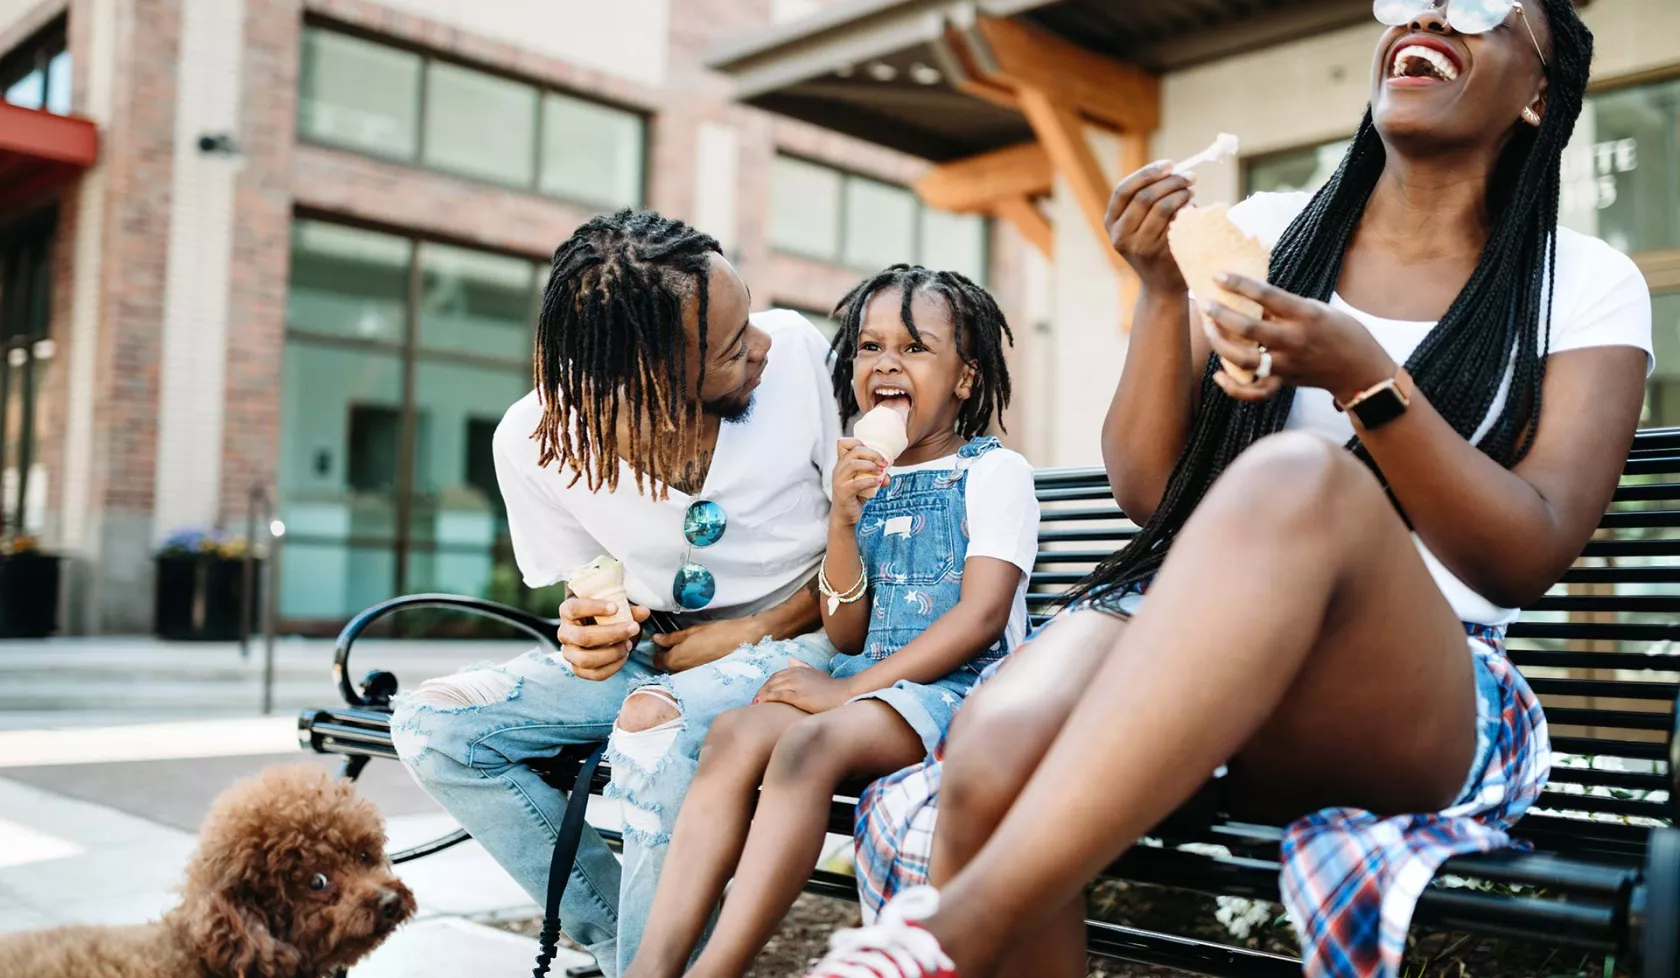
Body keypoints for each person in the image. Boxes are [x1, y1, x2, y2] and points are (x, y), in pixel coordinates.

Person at [810, 2, 1653, 976]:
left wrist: (1367, 381)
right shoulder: (1263, 235)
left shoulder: (1583, 282)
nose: (1428, 13)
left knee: (1301, 474)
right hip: (1187, 647)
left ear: (1541, 93)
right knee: (997, 748)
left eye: (1477, 6)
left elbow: (1528, 554)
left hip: (1409, 698)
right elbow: (1149, 490)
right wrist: (1163, 294)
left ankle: (942, 934)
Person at [390, 210, 842, 977]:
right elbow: (593, 593)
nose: (760, 345)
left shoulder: (797, 354)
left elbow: (870, 541)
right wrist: (591, 630)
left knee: (653, 729)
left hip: (816, 635)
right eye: (733, 349)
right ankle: (634, 954)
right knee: (435, 726)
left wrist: (762, 626)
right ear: (645, 379)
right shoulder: (536, 440)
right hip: (662, 659)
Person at [622, 265, 1037, 978]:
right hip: (872, 684)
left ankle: (714, 970)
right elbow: (846, 632)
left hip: (959, 691)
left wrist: (848, 693)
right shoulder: (863, 476)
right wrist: (845, 521)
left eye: (914, 348)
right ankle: (650, 968)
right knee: (734, 731)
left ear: (967, 379)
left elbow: (981, 617)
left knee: (806, 747)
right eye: (870, 347)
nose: (885, 364)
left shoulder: (993, 473)